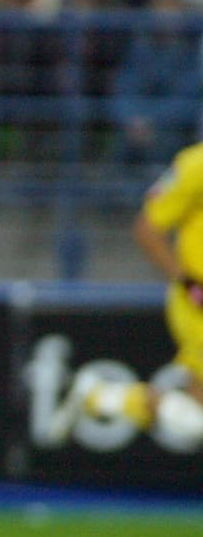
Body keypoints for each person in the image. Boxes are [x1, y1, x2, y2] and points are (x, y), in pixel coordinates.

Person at [48, 142, 203, 446]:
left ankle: (99, 397)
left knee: (194, 418)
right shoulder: (195, 166)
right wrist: (188, 283)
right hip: (197, 308)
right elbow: (147, 229)